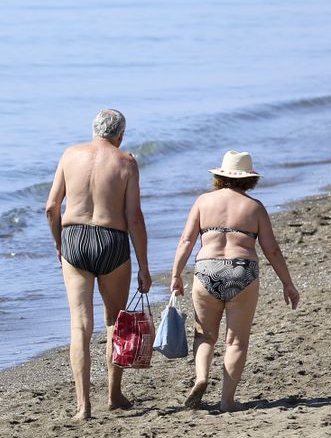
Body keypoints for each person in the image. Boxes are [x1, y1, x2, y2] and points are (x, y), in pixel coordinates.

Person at [169, 151, 301, 413]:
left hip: (207, 269)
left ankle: (202, 377)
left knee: (205, 334)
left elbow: (186, 241)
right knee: (237, 341)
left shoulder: (203, 202)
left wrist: (175, 275)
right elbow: (271, 249)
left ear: (220, 176)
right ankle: (227, 401)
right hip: (243, 271)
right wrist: (288, 283)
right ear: (250, 179)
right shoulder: (254, 207)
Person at [44, 108, 153, 421]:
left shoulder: (69, 155)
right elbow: (134, 217)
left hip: (74, 239)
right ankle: (114, 394)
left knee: (80, 324)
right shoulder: (126, 162)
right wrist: (144, 267)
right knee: (114, 322)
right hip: (111, 241)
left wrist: (59, 243)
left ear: (93, 130)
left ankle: (82, 406)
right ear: (120, 136)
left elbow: (51, 208)